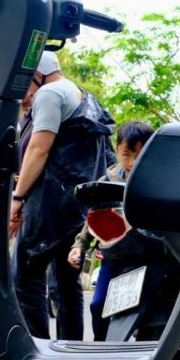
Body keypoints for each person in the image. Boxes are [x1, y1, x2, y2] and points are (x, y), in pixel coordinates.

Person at [9, 52, 115, 340]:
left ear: (37, 74)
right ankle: (71, 348)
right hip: (78, 206)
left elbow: (38, 149)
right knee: (66, 284)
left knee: (25, 277)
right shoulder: (86, 97)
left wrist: (18, 199)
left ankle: (36, 349)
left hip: (49, 204)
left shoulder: (50, 94)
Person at [68, 121, 154, 340]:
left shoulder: (159, 182)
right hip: (113, 258)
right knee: (98, 306)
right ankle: (101, 348)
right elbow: (92, 220)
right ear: (117, 150)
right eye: (126, 154)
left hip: (149, 259)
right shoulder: (106, 183)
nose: (133, 162)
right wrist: (79, 246)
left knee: (151, 311)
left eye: (140, 154)